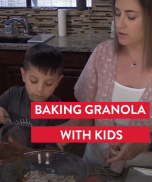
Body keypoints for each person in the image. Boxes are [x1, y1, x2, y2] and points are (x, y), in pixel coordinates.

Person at [57, 0, 152, 174]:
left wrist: (146, 142)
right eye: (117, 13)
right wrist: (72, 126)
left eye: (131, 16)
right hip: (95, 166)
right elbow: (87, 113)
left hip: (144, 172)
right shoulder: (103, 54)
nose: (120, 23)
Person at [0, 43, 69, 150]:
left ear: (58, 81)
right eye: (33, 81)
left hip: (38, 165)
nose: (40, 89)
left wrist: (19, 151)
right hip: (9, 160)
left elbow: (52, 152)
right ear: (24, 75)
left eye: (48, 83)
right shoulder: (12, 95)